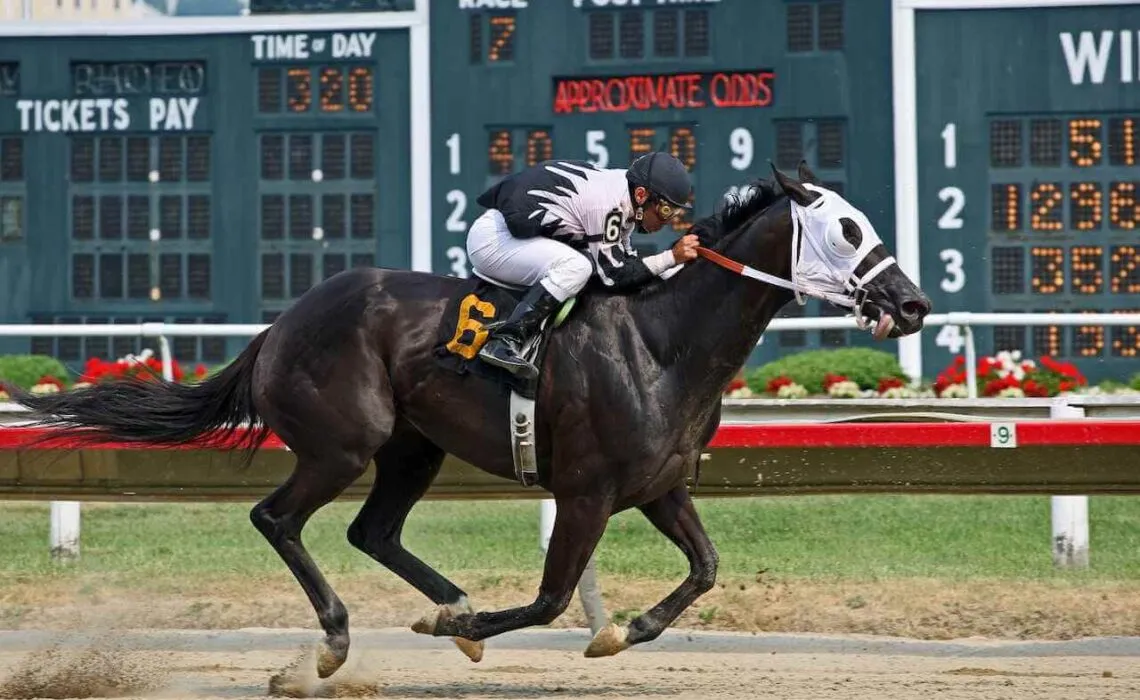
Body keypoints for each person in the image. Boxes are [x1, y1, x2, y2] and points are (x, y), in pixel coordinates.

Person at [465, 151, 701, 379]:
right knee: (577, 267)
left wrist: (674, 270)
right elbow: (614, 275)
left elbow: (629, 263)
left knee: (584, 264)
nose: (667, 221)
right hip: (495, 240)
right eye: (665, 211)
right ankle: (506, 339)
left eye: (674, 212)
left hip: (514, 235)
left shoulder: (625, 195)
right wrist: (671, 258)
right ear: (641, 195)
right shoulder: (608, 205)